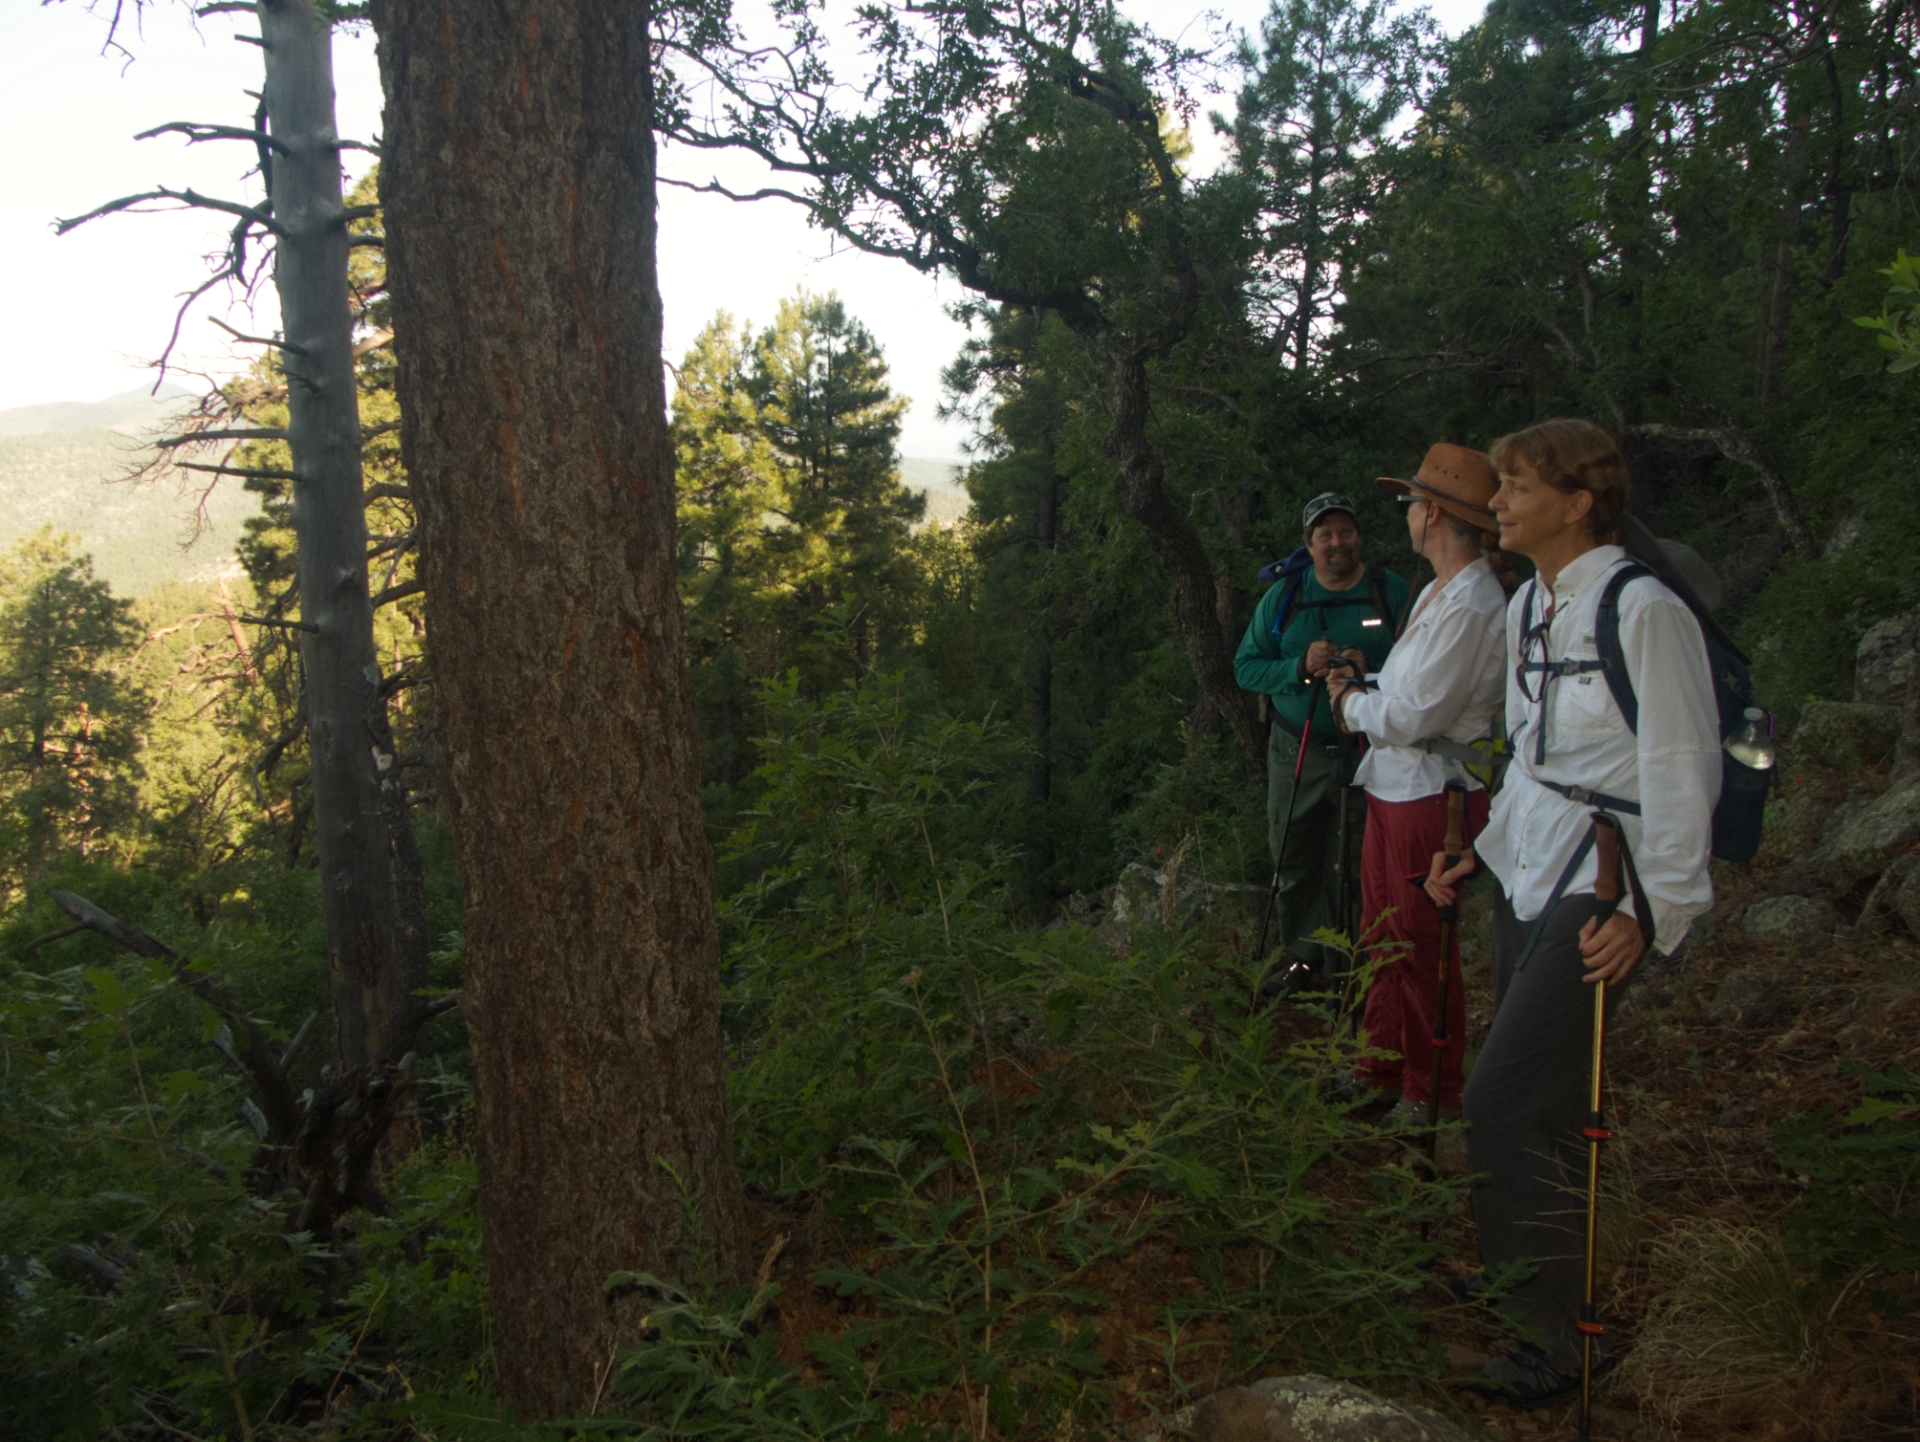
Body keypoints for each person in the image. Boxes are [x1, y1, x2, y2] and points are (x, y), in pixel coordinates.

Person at [1424, 419, 1721, 1405]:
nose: (1498, 502)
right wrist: (1485, 840)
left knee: (1499, 1101)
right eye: (1498, 486)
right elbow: (1537, 748)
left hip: (1603, 883)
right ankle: (1532, 1272)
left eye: (1516, 485)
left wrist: (1654, 908)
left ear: (1580, 499)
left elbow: (1683, 764)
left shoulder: (1642, 610)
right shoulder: (1529, 608)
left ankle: (1555, 1344)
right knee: (1540, 1104)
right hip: (1531, 863)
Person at [1326, 446, 1512, 1158]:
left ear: (1432, 511)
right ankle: (1381, 1066)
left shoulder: (1470, 602)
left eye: (1409, 502)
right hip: (1396, 785)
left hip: (1433, 796)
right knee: (1383, 934)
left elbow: (1415, 716)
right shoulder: (1441, 589)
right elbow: (1410, 698)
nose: (1403, 513)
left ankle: (1430, 1090)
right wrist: (1373, 689)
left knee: (1417, 945)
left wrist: (1349, 703)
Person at [1235, 492, 1409, 982]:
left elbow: (1423, 671)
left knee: (1358, 862)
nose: (1337, 543)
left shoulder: (1387, 590)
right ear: (1308, 544)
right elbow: (1246, 668)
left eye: (1346, 532)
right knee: (1293, 855)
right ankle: (1303, 961)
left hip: (1369, 751)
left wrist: (1370, 671)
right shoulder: (1285, 596)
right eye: (1325, 535)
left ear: (1360, 537)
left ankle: (1354, 964)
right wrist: (1298, 667)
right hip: (1297, 748)